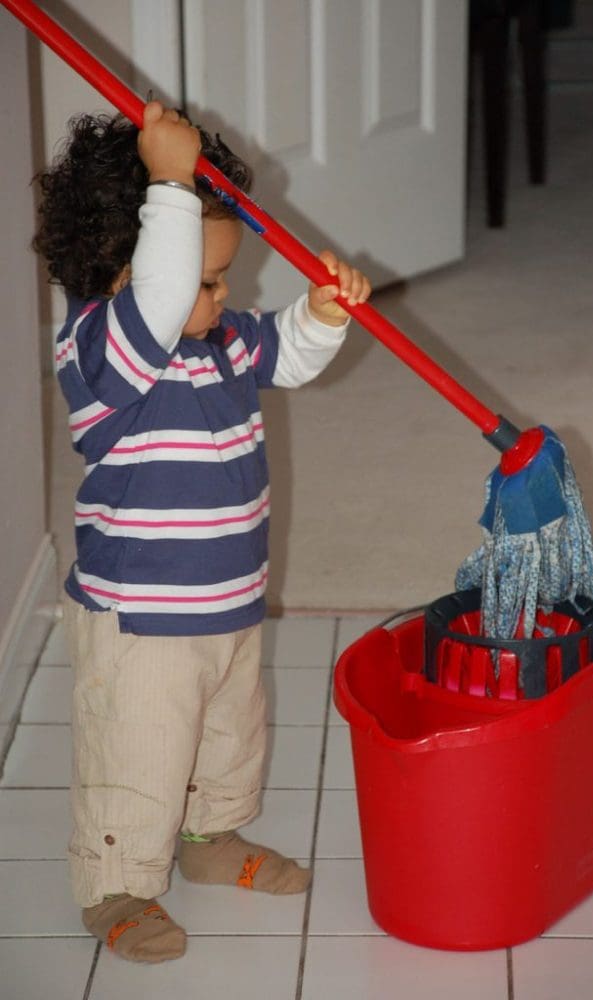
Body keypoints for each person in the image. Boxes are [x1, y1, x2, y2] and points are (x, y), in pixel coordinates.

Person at [32, 101, 371, 964]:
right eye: (208, 280)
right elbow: (158, 300)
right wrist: (171, 181)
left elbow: (287, 353)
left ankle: (208, 836)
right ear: (123, 276)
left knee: (227, 738)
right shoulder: (102, 354)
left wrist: (322, 316)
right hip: (141, 618)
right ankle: (116, 885)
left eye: (224, 278)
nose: (224, 298)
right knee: (139, 756)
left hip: (227, 598)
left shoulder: (218, 341)